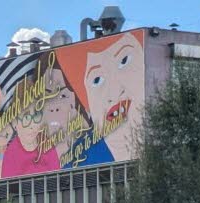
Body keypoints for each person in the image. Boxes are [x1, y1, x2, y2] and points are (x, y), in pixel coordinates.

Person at [55, 30, 145, 167]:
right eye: (97, 80)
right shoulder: (76, 162)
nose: (115, 91)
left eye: (124, 60)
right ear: (86, 103)